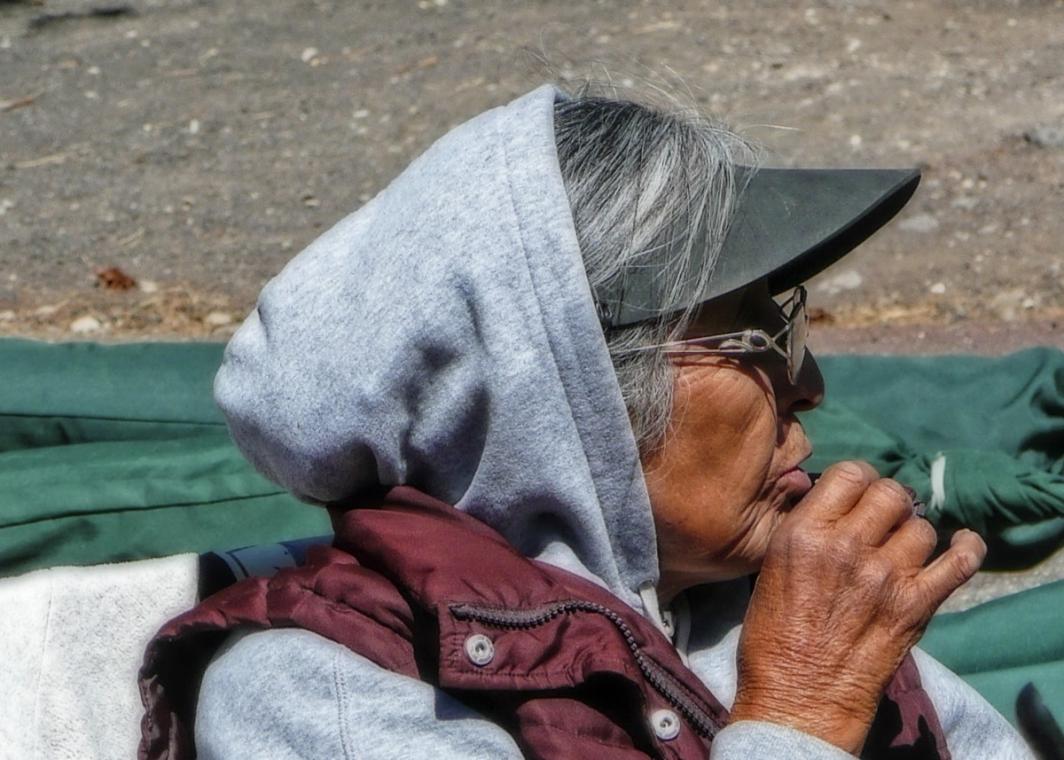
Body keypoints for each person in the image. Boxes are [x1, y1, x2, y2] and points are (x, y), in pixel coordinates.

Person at [139, 83, 1033, 759]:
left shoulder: (749, 614)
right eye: (760, 336)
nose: (809, 384)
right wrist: (798, 718)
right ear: (573, 388)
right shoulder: (320, 693)